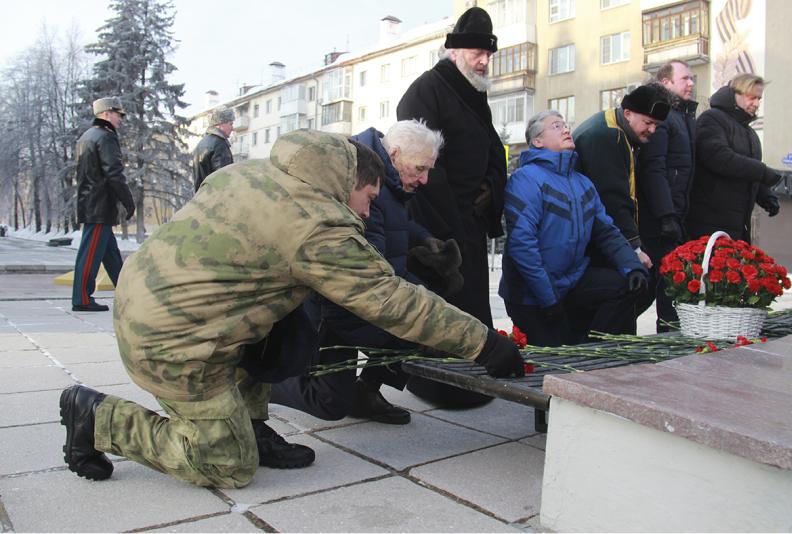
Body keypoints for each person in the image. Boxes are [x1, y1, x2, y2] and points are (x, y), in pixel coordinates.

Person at [58, 130, 524, 489]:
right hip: (173, 341)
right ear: (349, 183)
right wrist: (483, 343)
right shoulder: (314, 223)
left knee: (275, 326)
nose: (366, 214)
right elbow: (391, 300)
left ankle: (254, 428)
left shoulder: (252, 173)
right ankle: (98, 418)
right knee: (225, 464)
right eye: (368, 200)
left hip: (162, 308)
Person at [271, 120, 461, 425]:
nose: (425, 180)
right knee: (329, 399)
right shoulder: (360, 182)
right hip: (335, 305)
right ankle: (262, 382)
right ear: (396, 154)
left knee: (418, 317)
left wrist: (426, 239)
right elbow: (374, 276)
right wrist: (428, 319)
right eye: (420, 169)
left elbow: (397, 223)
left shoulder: (387, 177)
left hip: (365, 293)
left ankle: (366, 392)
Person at [396, 6, 505, 406]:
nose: (483, 60)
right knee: (443, 302)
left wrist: (490, 189)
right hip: (438, 222)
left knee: (474, 300)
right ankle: (438, 384)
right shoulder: (428, 88)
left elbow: (494, 150)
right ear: (455, 51)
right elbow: (419, 157)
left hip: (471, 220)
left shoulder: (476, 95)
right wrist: (451, 211)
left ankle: (475, 378)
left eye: (488, 53)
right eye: (477, 51)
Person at [500, 111, 648, 346]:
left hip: (571, 283)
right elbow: (522, 246)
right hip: (531, 296)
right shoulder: (525, 179)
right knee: (553, 365)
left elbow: (606, 231)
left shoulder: (582, 182)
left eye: (566, 125)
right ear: (537, 141)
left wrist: (632, 266)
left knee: (623, 286)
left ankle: (595, 353)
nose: (566, 129)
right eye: (556, 126)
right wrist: (548, 300)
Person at [572, 84, 671, 329]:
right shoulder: (608, 136)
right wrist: (634, 248)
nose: (652, 130)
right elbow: (613, 200)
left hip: (596, 235)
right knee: (631, 287)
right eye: (648, 122)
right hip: (595, 241)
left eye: (657, 125)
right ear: (628, 113)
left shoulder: (615, 129)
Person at [637, 61, 698, 332]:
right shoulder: (662, 116)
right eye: (684, 78)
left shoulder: (683, 117)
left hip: (674, 216)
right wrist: (666, 215)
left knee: (667, 287)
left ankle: (668, 339)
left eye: (692, 79)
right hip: (659, 221)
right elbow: (654, 168)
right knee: (653, 287)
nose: (691, 84)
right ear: (666, 83)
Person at [686, 73, 782, 243]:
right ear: (736, 94)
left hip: (738, 223)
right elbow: (719, 157)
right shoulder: (712, 118)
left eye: (759, 99)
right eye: (752, 97)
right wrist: (763, 172)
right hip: (708, 221)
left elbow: (747, 173)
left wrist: (765, 195)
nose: (756, 104)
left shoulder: (750, 133)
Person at [71, 97, 135, 313]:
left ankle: (127, 294)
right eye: (118, 114)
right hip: (99, 205)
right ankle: (81, 299)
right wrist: (128, 201)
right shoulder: (105, 137)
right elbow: (114, 173)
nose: (120, 119)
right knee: (89, 255)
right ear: (107, 114)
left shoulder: (87, 136)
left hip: (92, 203)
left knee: (111, 255)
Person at [192, 105, 234, 192]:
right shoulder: (219, 144)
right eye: (230, 124)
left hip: (201, 198)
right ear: (221, 123)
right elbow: (223, 177)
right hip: (216, 199)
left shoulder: (202, 143)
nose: (232, 128)